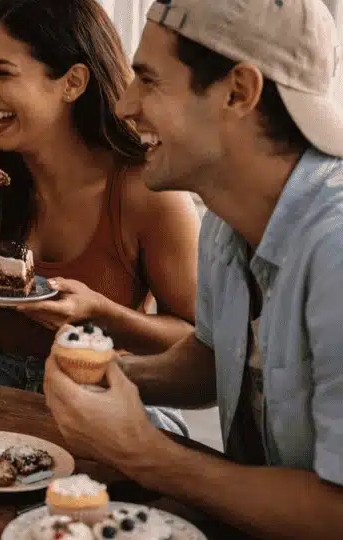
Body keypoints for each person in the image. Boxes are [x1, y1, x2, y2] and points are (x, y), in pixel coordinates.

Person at [44, 0, 343, 537]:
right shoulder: (226, 220)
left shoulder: (335, 250)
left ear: (238, 93)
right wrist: (110, 381)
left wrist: (144, 453)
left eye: (149, 80)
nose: (124, 105)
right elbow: (215, 359)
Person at [0, 0, 198, 431]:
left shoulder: (147, 190)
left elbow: (195, 341)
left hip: (103, 387)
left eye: (3, 73)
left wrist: (102, 315)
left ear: (72, 82)